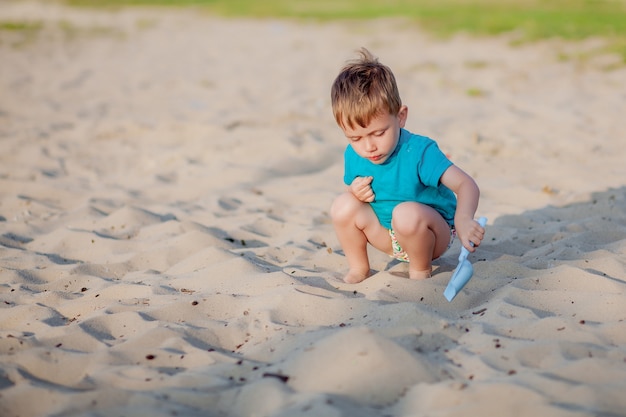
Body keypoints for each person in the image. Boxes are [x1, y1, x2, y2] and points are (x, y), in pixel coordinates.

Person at [330, 48, 484, 284]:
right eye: (355, 138)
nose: (368, 146)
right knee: (342, 205)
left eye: (379, 133)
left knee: (406, 214)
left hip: (430, 235)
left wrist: (464, 219)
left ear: (400, 117)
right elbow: (350, 198)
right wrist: (354, 192)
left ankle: (420, 271)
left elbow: (466, 184)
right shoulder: (354, 154)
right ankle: (359, 268)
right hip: (387, 235)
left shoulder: (419, 152)